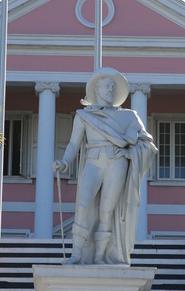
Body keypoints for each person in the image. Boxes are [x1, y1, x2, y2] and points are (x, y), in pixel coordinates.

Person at [52, 68, 157, 265]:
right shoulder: (84, 115)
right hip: (93, 160)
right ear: (97, 90)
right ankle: (76, 254)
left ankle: (100, 256)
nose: (110, 90)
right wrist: (65, 161)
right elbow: (74, 143)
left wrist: (128, 153)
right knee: (82, 206)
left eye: (113, 87)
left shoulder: (129, 116)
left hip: (116, 163)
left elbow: (147, 145)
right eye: (106, 86)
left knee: (107, 211)